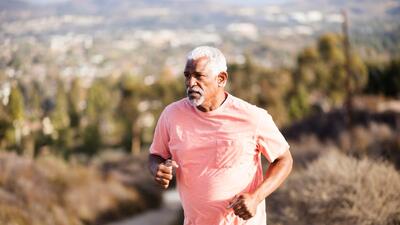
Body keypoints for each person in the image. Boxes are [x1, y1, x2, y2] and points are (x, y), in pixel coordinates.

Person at [148, 46, 293, 225]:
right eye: (187, 75)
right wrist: (157, 168)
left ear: (221, 79)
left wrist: (256, 198)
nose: (190, 83)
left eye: (199, 76)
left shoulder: (253, 117)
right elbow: (156, 154)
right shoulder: (171, 115)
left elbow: (284, 160)